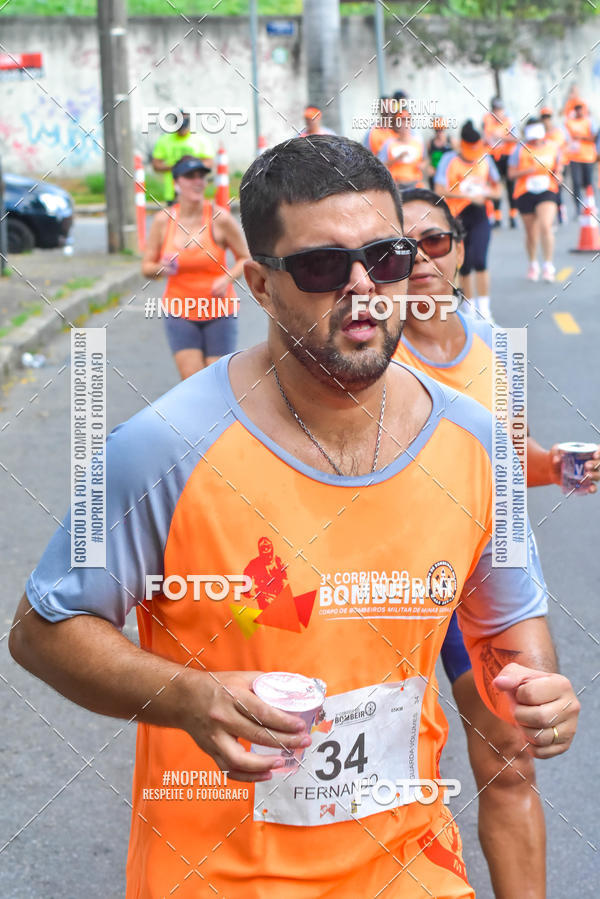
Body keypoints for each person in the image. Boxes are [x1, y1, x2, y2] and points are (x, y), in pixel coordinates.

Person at [10, 136, 580, 899]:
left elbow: (508, 622)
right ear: (259, 283)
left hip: (411, 865)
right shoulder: (162, 448)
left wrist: (536, 686)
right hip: (215, 877)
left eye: (386, 256)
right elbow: (42, 628)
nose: (363, 288)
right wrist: (189, 697)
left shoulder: (474, 438)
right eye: (320, 267)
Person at [394, 186, 598, 899]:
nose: (420, 259)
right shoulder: (365, 359)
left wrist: (567, 468)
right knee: (375, 765)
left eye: (436, 242)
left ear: (459, 253)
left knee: (512, 756)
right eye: (401, 246)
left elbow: (518, 460)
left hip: (481, 580)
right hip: (391, 580)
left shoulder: (491, 349)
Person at [141, 156, 250, 379]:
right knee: (192, 382)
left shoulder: (220, 218)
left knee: (216, 380)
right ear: (176, 183)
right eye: (190, 176)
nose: (197, 181)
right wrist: (160, 267)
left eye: (201, 176)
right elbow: (146, 268)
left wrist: (227, 278)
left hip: (219, 310)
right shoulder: (163, 221)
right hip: (179, 310)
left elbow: (245, 258)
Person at [434, 120, 501, 322]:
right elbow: (439, 190)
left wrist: (486, 193)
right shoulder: (449, 159)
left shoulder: (485, 159)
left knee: (480, 260)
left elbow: (498, 191)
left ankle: (485, 310)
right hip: (457, 217)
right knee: (465, 264)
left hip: (480, 214)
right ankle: (469, 309)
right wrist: (466, 195)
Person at [507, 118, 562, 283]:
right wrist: (527, 171)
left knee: (545, 225)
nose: (535, 140)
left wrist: (559, 175)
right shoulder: (520, 150)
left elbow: (559, 168)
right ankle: (533, 263)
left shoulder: (552, 147)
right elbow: (511, 174)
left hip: (547, 190)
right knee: (531, 232)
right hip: (525, 192)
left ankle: (548, 265)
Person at [151, 110, 214, 205]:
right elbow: (156, 165)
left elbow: (209, 163)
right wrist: (176, 167)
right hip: (172, 193)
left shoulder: (200, 139)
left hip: (195, 193)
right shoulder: (164, 140)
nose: (182, 131)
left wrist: (190, 167)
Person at [482, 97, 519, 229]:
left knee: (510, 187)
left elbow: (516, 139)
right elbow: (483, 136)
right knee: (495, 186)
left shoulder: (509, 121)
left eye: (499, 109)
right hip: (493, 156)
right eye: (495, 110)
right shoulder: (486, 120)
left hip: (507, 156)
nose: (497, 112)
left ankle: (513, 216)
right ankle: (497, 217)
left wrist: (501, 138)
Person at [377, 109, 427, 190]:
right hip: (395, 185)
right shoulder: (389, 143)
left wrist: (422, 165)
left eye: (407, 121)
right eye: (401, 122)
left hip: (415, 184)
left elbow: (425, 160)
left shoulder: (418, 143)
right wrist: (397, 159)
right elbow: (380, 165)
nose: (404, 125)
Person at [564, 101, 598, 213]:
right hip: (574, 157)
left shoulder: (589, 121)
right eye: (577, 108)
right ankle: (577, 208)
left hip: (588, 157)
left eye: (581, 108)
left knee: (588, 183)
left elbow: (593, 138)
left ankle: (591, 204)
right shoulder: (569, 122)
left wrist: (581, 137)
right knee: (576, 183)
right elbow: (565, 138)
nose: (579, 111)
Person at [541, 106, 568, 223]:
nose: (546, 120)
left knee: (557, 189)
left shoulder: (557, 132)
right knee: (549, 189)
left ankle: (561, 212)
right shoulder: (540, 133)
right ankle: (550, 214)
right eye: (544, 117)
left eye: (548, 117)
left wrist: (559, 169)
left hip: (559, 164)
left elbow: (558, 149)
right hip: (546, 165)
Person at [426, 116, 455, 189]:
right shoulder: (430, 143)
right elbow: (428, 159)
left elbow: (457, 158)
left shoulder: (451, 141)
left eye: (441, 130)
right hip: (435, 175)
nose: (439, 132)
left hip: (447, 174)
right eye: (437, 130)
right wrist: (429, 167)